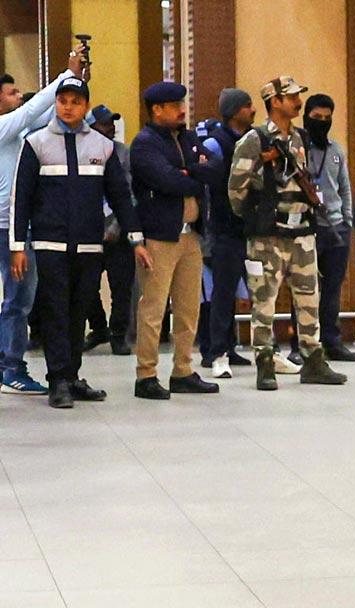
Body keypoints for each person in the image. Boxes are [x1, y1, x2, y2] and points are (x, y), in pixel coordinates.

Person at [9, 77, 150, 409]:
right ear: (56, 104)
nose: (68, 107)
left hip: (89, 246)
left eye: (75, 101)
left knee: (78, 313)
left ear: (85, 106)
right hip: (49, 245)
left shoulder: (102, 146)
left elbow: (120, 197)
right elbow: (22, 199)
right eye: (62, 101)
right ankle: (57, 379)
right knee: (55, 311)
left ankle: (71, 376)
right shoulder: (36, 143)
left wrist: (136, 239)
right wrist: (18, 247)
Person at [227, 76, 347, 391]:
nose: (298, 102)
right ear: (275, 101)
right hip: (267, 236)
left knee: (309, 298)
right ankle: (265, 362)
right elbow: (235, 191)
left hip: (302, 232)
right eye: (291, 97)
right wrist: (256, 217)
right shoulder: (254, 141)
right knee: (263, 303)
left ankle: (313, 359)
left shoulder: (301, 138)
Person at [130, 81, 224, 399]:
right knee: (154, 308)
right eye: (174, 106)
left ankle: (182, 370)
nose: (182, 110)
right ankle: (146, 375)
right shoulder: (144, 144)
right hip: (159, 238)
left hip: (190, 236)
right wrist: (189, 175)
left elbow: (215, 171)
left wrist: (188, 174)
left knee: (188, 309)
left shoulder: (187, 136)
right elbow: (166, 181)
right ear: (157, 110)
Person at [0, 46, 85, 396]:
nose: (19, 96)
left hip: (18, 226)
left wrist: (76, 84)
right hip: (5, 228)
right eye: (11, 92)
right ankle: (10, 368)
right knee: (18, 299)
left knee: (20, 298)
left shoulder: (17, 133)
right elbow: (35, 108)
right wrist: (66, 74)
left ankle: (10, 363)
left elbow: (51, 114)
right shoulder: (4, 126)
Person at [287, 93, 355, 363]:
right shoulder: (297, 149)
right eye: (317, 118)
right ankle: (300, 344)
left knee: (332, 289)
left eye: (327, 118)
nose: (322, 122)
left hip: (337, 227)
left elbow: (344, 187)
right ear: (306, 117)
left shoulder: (336, 150)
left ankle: (332, 341)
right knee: (305, 287)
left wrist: (348, 221)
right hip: (306, 228)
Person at [199, 87, 255, 379]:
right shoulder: (215, 143)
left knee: (235, 291)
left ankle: (230, 346)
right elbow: (210, 186)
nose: (253, 110)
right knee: (221, 293)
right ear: (234, 111)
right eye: (247, 106)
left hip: (247, 227)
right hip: (223, 228)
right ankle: (215, 350)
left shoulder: (250, 139)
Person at [82, 105, 135, 356]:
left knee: (121, 288)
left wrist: (117, 226)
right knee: (86, 286)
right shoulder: (81, 152)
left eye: (112, 123)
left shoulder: (124, 153)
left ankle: (118, 334)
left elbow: (129, 193)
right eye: (104, 124)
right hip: (89, 231)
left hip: (118, 230)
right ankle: (98, 327)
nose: (110, 128)